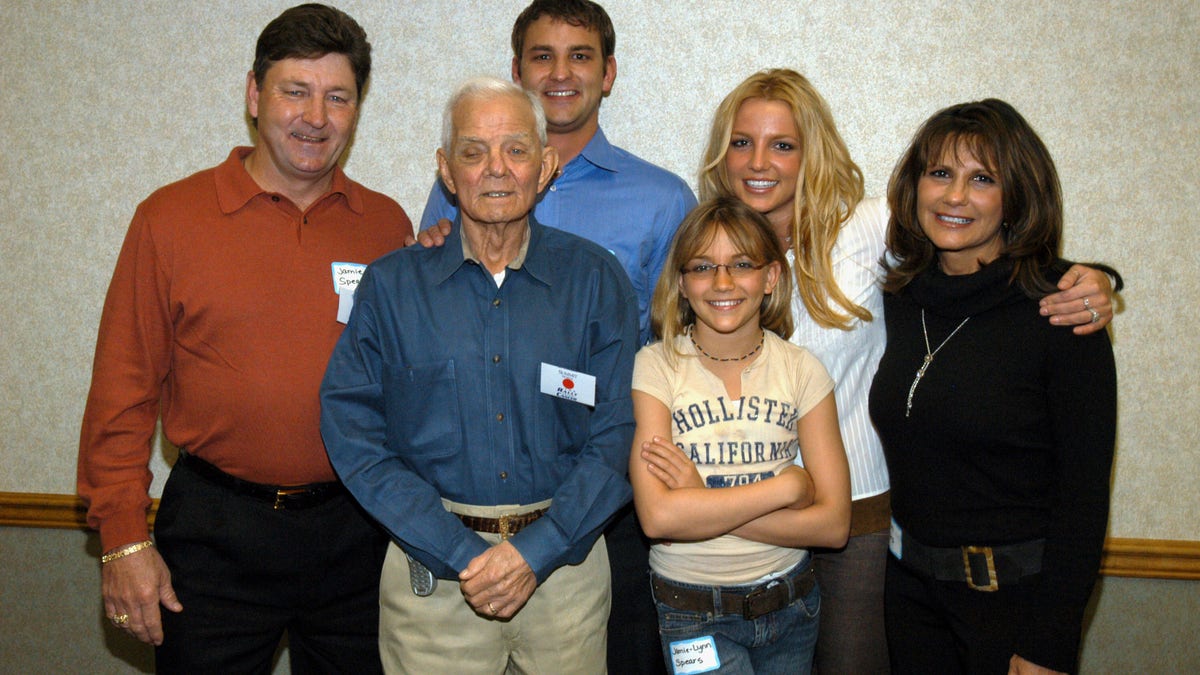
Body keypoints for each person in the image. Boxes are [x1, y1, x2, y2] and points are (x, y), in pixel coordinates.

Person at [698, 69, 1117, 674]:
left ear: (812, 152)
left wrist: (1094, 278)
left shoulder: (868, 233)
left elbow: (991, 262)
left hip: (865, 526)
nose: (759, 160)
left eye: (783, 143)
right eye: (742, 141)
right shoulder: (703, 249)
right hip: (753, 518)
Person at [75, 5, 412, 672]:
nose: (316, 116)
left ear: (356, 109)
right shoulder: (170, 219)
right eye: (296, 90)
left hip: (357, 533)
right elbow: (123, 388)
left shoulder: (384, 226)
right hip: (215, 533)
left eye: (337, 96)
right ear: (254, 95)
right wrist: (121, 540)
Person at [320, 76, 639, 674]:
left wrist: (536, 549)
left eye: (516, 150)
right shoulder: (391, 288)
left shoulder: (596, 282)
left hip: (565, 573)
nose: (496, 169)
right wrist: (460, 551)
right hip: (432, 580)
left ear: (546, 168)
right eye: (473, 151)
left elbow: (619, 431)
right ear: (447, 170)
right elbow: (353, 432)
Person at [416, 3, 696, 671]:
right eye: (542, 56)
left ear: (609, 73)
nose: (561, 72)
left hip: (607, 482)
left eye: (581, 56)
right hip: (481, 492)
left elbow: (681, 346)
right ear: (517, 71)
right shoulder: (458, 185)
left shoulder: (661, 199)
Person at [868, 98, 1117, 674]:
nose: (955, 196)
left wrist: (1049, 643)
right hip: (908, 595)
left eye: (982, 179)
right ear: (915, 186)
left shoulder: (1060, 311)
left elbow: (1083, 495)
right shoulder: (900, 297)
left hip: (1014, 606)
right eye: (940, 173)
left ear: (1016, 198)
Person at [630, 197, 851, 674]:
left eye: (742, 265)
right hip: (691, 611)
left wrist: (700, 499)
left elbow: (833, 525)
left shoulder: (802, 370)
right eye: (704, 267)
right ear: (682, 283)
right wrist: (785, 489)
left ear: (771, 277)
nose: (723, 283)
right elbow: (658, 517)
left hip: (791, 605)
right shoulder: (656, 366)